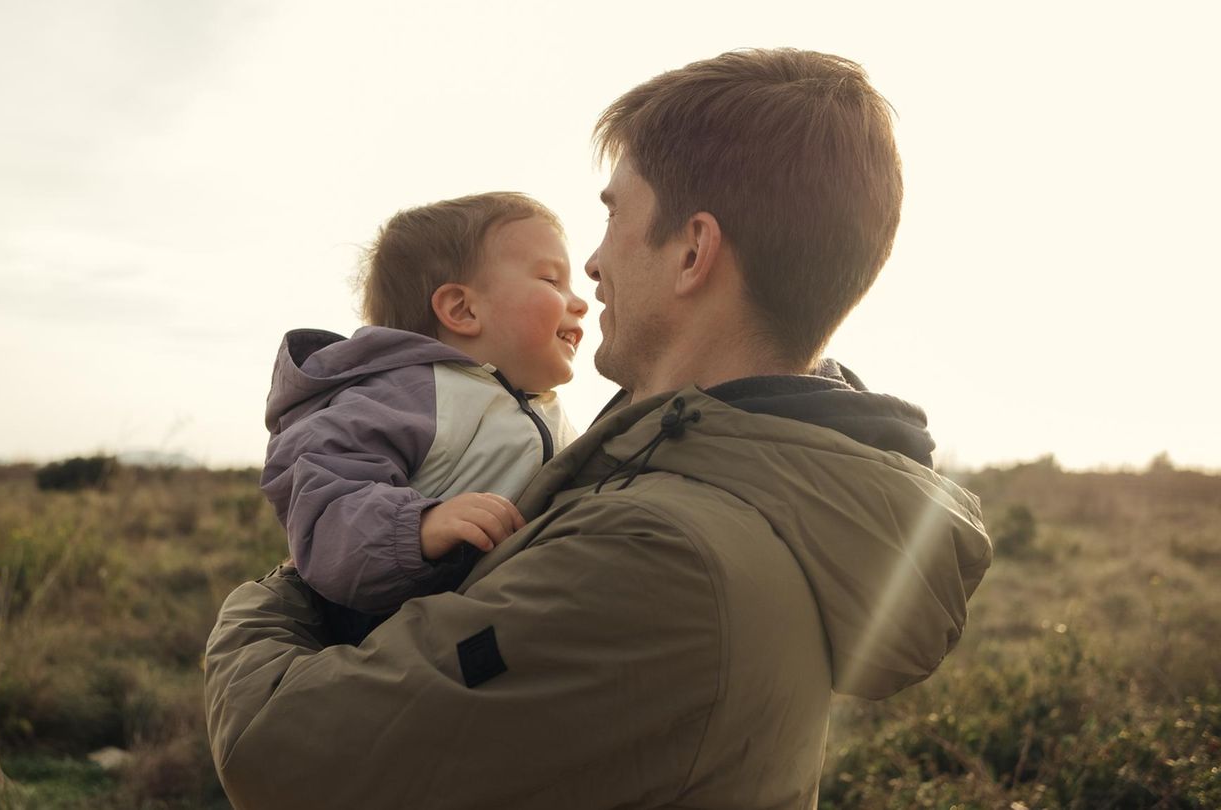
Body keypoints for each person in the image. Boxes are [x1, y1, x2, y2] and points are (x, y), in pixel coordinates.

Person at [206, 48, 992, 810]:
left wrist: (281, 593)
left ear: (693, 252)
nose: (591, 263)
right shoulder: (758, 486)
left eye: (615, 213)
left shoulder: (657, 553)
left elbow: (281, 758)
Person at [260, 192, 586, 634]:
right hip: (391, 646)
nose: (579, 303)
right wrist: (418, 527)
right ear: (462, 309)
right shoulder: (404, 393)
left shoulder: (546, 411)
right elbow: (325, 512)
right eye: (551, 281)